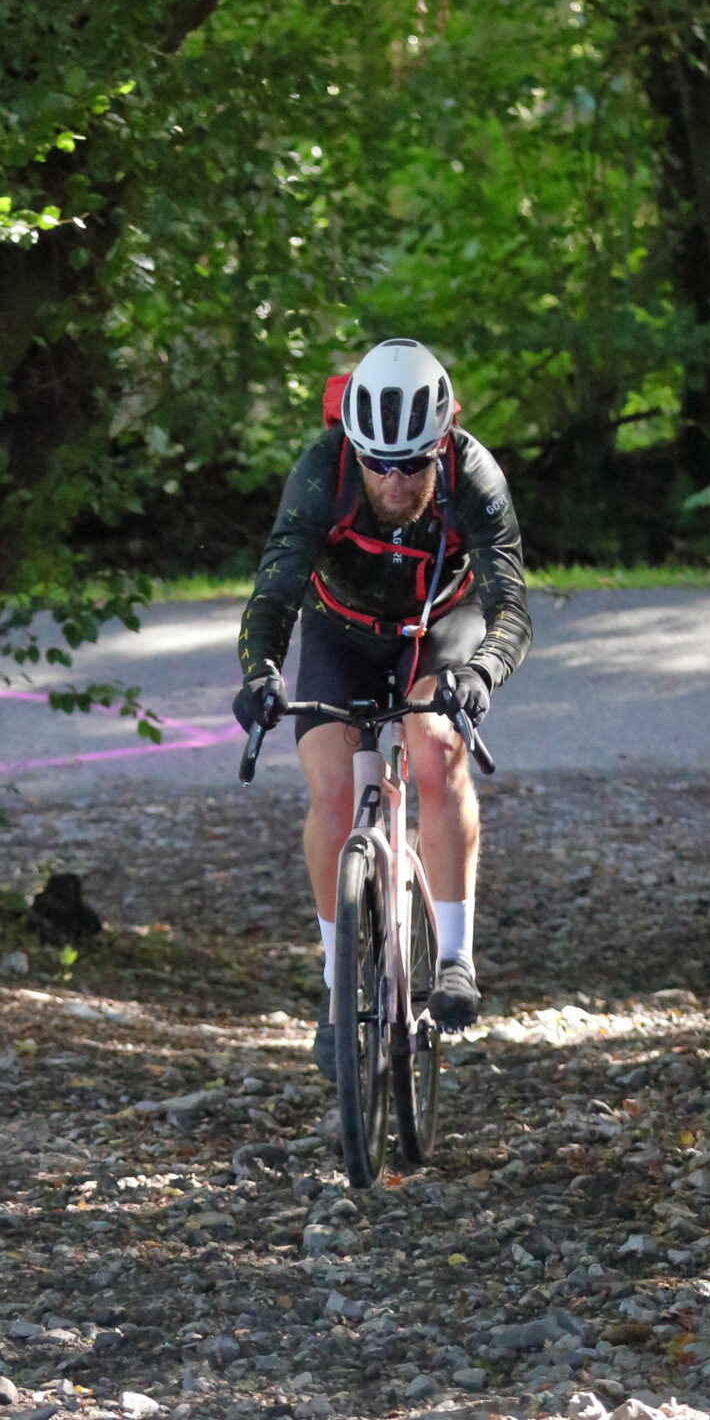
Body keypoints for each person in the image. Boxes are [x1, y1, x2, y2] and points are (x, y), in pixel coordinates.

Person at [232, 336, 531, 1074]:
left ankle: (454, 958)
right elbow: (273, 591)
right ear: (353, 446)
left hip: (438, 627)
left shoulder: (474, 474)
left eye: (413, 465)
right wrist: (260, 672)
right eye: (377, 464)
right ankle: (338, 988)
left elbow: (511, 608)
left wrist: (483, 672)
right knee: (331, 790)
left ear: (441, 444)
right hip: (340, 630)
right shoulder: (322, 470)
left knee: (436, 744)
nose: (394, 482)